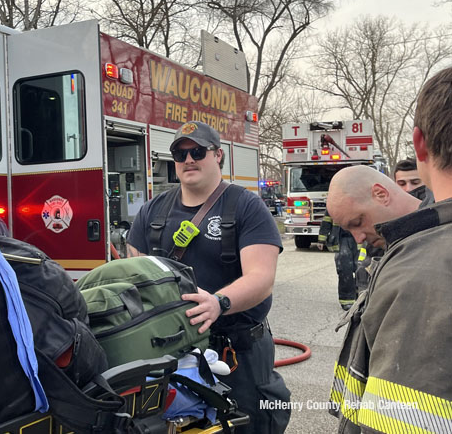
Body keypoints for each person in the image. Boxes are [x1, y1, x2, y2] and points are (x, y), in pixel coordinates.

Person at [127, 121, 290, 434]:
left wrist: (219, 302)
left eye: (197, 151)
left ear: (218, 156)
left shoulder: (246, 207)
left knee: (249, 425)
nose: (189, 159)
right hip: (171, 350)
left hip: (236, 351)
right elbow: (135, 275)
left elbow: (261, 277)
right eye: (180, 153)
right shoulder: (151, 212)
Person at [328, 67, 452, 433]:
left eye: (357, 222)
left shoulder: (424, 269)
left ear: (420, 144)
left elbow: (402, 418)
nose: (359, 237)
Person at [318, 212, 360, 310]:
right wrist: (321, 239)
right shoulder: (336, 202)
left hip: (360, 240)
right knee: (345, 269)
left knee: (361, 268)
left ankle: (361, 296)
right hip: (342, 240)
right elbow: (327, 220)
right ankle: (347, 299)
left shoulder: (363, 200)